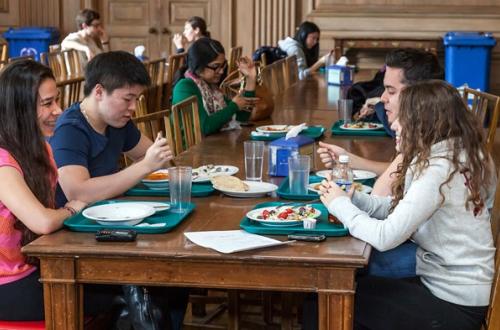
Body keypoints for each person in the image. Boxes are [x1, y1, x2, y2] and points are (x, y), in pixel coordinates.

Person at [319, 80, 496, 330]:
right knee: (346, 290)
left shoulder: (438, 169)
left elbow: (385, 236)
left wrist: (340, 205)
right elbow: (397, 208)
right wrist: (352, 197)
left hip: (455, 305)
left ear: (424, 122)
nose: (393, 125)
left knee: (328, 302)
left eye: (402, 118)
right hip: (459, 289)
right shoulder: (458, 153)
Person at [49, 51, 188, 329]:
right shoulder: (71, 129)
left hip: (114, 224)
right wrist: (145, 165)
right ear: (99, 91)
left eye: (136, 99)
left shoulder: (118, 123)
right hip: (75, 237)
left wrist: (159, 158)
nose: (133, 107)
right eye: (128, 98)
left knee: (178, 272)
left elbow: (152, 154)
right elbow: (80, 192)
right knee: (150, 283)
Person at [0, 60, 126, 320]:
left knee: (128, 281)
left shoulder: (40, 148)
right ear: (20, 108)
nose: (58, 110)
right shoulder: (2, 161)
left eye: (56, 100)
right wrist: (71, 208)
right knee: (119, 292)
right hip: (7, 282)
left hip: (33, 265)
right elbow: (44, 221)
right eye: (47, 103)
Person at [318, 48, 443, 197]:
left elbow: (380, 194)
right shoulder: (424, 128)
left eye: (391, 91)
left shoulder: (435, 145)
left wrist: (340, 202)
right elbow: (400, 169)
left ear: (419, 95)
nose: (382, 98)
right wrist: (347, 160)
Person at [172, 38, 257, 135]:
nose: (221, 71)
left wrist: (251, 78)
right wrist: (233, 106)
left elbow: (242, 116)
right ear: (199, 65)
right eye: (215, 66)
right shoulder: (185, 87)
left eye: (222, 66)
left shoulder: (211, 87)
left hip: (208, 145)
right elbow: (204, 127)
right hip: (189, 149)